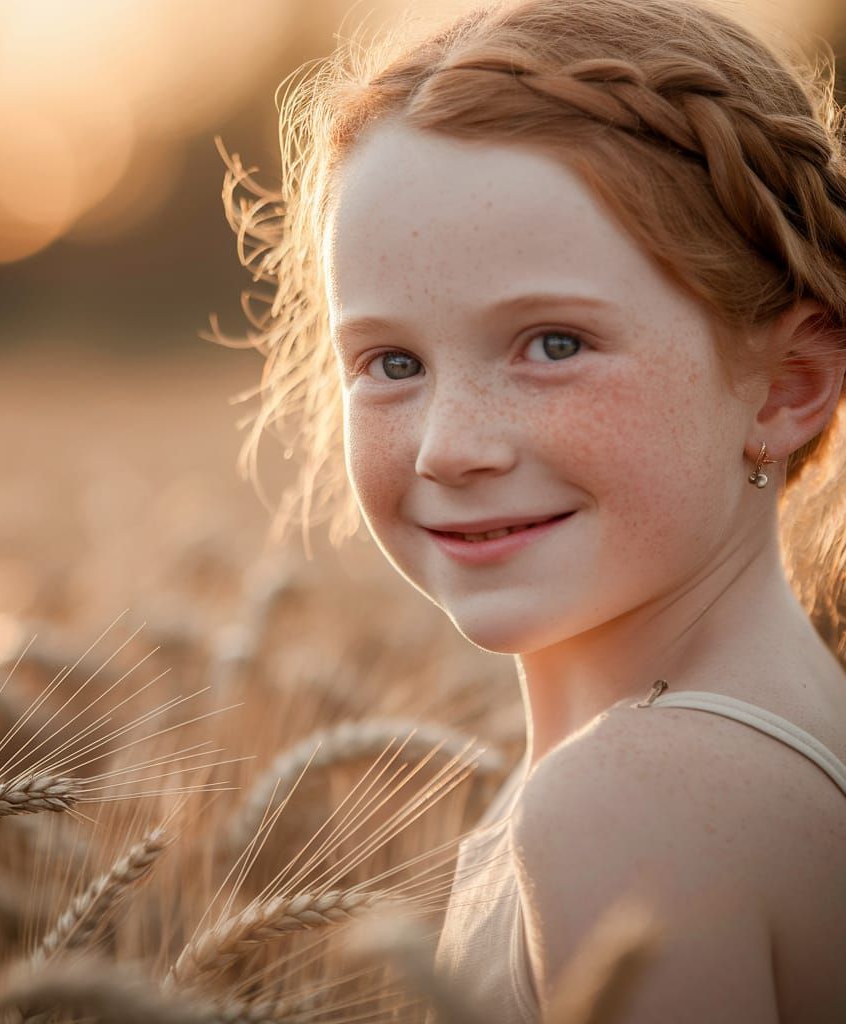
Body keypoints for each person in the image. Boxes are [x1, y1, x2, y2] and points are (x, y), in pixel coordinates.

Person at [213, 0, 846, 1019]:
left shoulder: (634, 799)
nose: (448, 445)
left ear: (785, 385)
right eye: (391, 362)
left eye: (552, 344)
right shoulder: (773, 733)